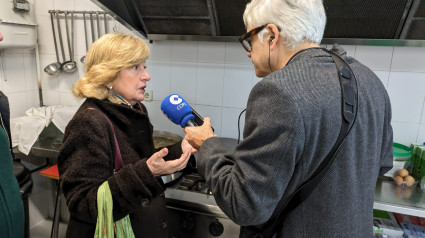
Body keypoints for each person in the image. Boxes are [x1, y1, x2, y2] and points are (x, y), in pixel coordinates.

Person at [184, 0, 393, 237]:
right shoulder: (369, 80)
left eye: (250, 39)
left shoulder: (278, 91)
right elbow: (382, 163)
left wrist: (207, 145)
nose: (249, 51)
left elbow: (245, 204)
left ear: (272, 35)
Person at [57, 33, 195, 238]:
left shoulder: (134, 109)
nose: (146, 76)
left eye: (144, 66)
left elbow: (140, 163)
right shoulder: (89, 122)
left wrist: (183, 149)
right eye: (135, 67)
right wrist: (147, 173)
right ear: (108, 75)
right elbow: (83, 204)